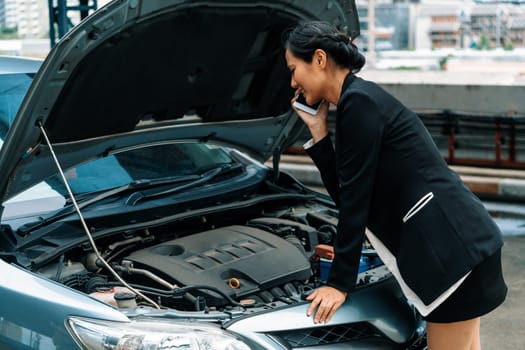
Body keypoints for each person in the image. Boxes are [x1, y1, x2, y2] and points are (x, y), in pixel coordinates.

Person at [283, 21, 507, 350]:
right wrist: (319, 133)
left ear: (319, 59)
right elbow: (351, 195)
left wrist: (339, 285)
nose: (292, 82)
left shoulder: (359, 104)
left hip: (451, 257)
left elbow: (355, 204)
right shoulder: (358, 100)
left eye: (293, 69)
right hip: (463, 248)